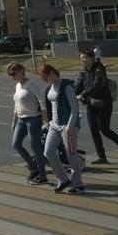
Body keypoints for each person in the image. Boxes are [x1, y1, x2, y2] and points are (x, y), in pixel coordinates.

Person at [75, 48, 118, 164]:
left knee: (104, 129)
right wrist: (70, 93)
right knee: (93, 130)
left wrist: (83, 94)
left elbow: (97, 85)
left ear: (91, 58)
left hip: (103, 104)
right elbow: (78, 86)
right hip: (91, 104)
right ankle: (102, 157)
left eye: (84, 57)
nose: (82, 60)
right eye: (81, 58)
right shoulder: (84, 72)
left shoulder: (99, 70)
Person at [39, 63, 85, 194]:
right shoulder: (49, 88)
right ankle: (63, 180)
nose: (44, 80)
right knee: (48, 152)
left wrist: (70, 126)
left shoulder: (66, 87)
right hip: (54, 125)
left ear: (51, 73)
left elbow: (74, 109)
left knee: (71, 155)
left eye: (45, 77)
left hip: (67, 126)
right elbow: (49, 107)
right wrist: (48, 122)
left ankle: (78, 184)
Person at [7, 62, 48, 185]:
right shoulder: (18, 86)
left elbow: (42, 101)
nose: (12, 77)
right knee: (16, 144)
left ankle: (42, 176)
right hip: (21, 119)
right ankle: (33, 169)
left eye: (14, 74)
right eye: (10, 75)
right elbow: (16, 105)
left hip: (33, 118)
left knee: (35, 147)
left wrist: (45, 120)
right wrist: (14, 121)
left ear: (21, 71)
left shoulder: (31, 84)